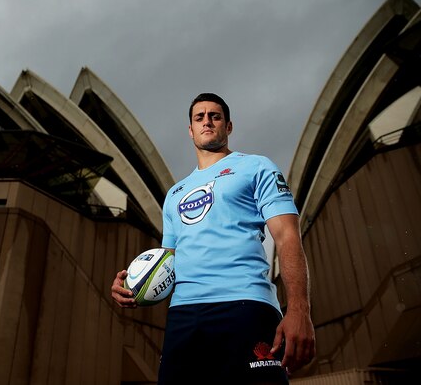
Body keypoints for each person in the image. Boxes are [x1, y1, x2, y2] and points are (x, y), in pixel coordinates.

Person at [111, 93, 315, 384]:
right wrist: (132, 286)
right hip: (184, 317)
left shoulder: (257, 167)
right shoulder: (175, 194)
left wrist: (298, 310)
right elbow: (168, 261)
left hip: (246, 306)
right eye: (199, 117)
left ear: (228, 127)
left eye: (215, 116)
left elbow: (287, 237)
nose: (207, 121)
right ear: (191, 130)